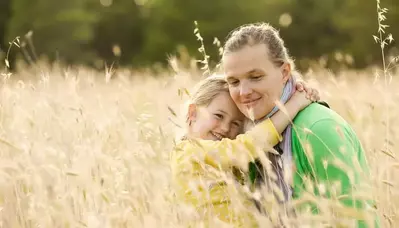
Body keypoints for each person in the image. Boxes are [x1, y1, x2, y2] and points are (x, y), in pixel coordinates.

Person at [221, 22, 379, 227]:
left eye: (256, 77)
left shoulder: (319, 129)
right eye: (234, 82)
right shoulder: (245, 134)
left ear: (285, 72)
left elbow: (356, 220)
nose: (243, 92)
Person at [170, 74, 320, 227]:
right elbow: (247, 146)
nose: (225, 128)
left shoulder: (221, 159)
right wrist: (295, 103)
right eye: (219, 116)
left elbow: (254, 134)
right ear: (193, 113)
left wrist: (288, 91)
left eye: (235, 123)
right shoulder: (188, 151)